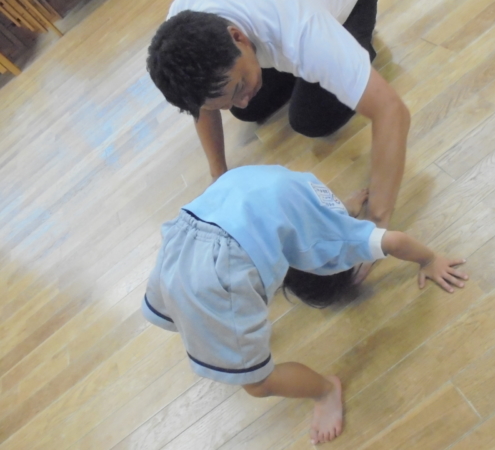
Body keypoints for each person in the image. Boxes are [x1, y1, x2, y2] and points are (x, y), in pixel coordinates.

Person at [142, 165, 468, 445]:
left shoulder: (307, 185)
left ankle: (218, 338)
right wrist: (430, 260)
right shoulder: (328, 245)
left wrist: (346, 208)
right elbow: (394, 240)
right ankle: (325, 391)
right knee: (257, 383)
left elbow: (314, 214)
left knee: (179, 309)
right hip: (214, 273)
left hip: (182, 233)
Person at [146, 0, 411, 233]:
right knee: (246, 109)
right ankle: (296, 69)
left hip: (345, 10)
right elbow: (202, 103)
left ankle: (357, 49)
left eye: (239, 88)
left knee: (312, 119)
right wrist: (219, 177)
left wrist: (376, 227)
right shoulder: (181, 28)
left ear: (237, 36)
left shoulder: (300, 29)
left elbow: (391, 111)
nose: (241, 99)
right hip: (280, 30)